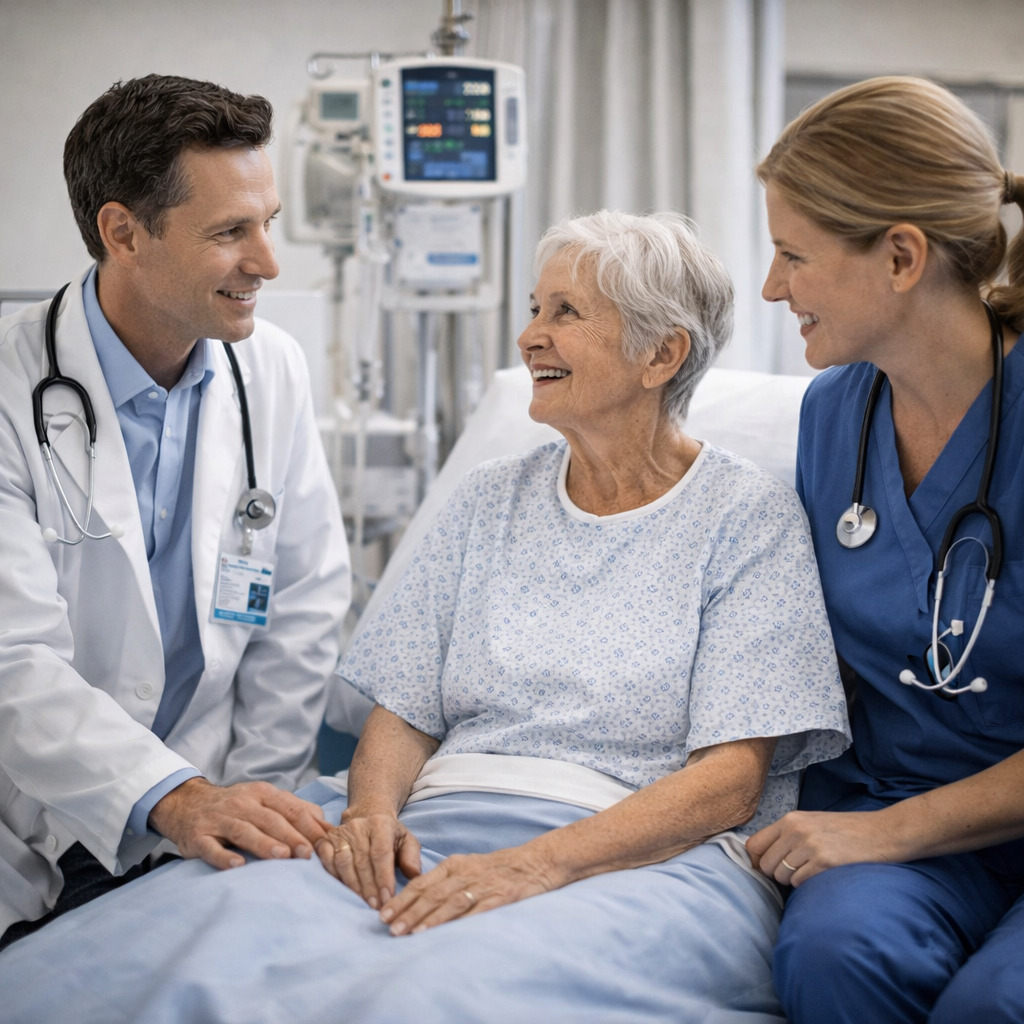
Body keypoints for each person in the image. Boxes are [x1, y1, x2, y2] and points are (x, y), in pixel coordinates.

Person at [0, 210, 849, 1022]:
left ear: (660, 354)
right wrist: (370, 817)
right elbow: (403, 707)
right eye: (533, 309)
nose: (529, 336)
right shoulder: (489, 501)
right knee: (166, 952)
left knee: (430, 992)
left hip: (639, 854)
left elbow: (731, 779)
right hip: (428, 822)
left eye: (566, 312)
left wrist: (533, 866)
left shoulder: (750, 518)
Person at [0, 74, 350, 948]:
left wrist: (250, 801)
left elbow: (303, 602)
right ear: (123, 232)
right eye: (231, 232)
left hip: (212, 807)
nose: (268, 262)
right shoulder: (10, 392)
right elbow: (12, 662)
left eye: (266, 222)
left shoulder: (268, 368)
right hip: (29, 817)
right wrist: (176, 799)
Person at [747, 76, 1024, 1024]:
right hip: (896, 801)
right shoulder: (834, 414)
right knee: (834, 956)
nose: (774, 286)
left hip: (924, 820)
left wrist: (891, 835)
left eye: (794, 255)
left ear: (901, 255)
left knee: (996, 1005)